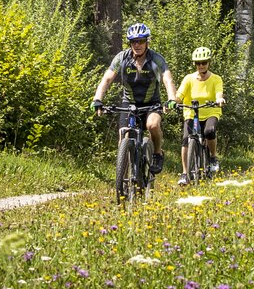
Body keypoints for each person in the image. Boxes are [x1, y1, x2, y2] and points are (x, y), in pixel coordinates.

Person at [91, 22, 178, 176]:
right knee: (123, 136)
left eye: (141, 41)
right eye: (134, 42)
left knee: (152, 125)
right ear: (130, 43)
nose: (137, 45)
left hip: (151, 104)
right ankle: (123, 182)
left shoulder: (156, 59)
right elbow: (106, 79)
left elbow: (167, 79)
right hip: (129, 103)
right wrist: (97, 99)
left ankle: (157, 153)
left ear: (147, 42)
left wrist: (171, 98)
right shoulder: (121, 58)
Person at [176, 46, 225, 185]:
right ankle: (185, 173)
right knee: (186, 139)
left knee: (209, 131)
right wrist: (174, 102)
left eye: (204, 62)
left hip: (210, 111)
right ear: (195, 64)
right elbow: (179, 95)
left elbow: (218, 93)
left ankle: (213, 157)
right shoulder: (189, 79)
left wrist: (219, 99)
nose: (201, 66)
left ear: (209, 62)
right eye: (198, 63)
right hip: (192, 113)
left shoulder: (216, 79)